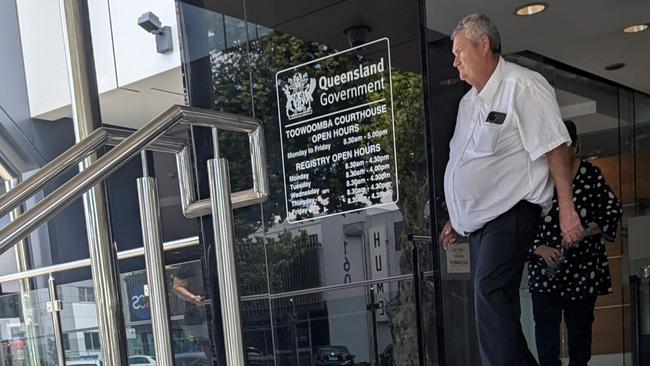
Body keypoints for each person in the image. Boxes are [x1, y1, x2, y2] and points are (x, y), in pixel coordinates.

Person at [439, 13, 584, 366]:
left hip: (513, 213)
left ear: (483, 44)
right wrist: (459, 218)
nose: (454, 60)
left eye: (460, 51)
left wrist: (567, 209)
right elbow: (468, 165)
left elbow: (554, 147)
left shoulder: (523, 85)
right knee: (494, 303)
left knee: (488, 294)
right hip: (481, 225)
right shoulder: (467, 104)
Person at [529, 120, 621, 366]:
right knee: (546, 337)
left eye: (562, 144)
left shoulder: (591, 175)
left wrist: (585, 231)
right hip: (545, 269)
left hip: (583, 267)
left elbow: (611, 212)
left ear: (573, 146)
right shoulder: (537, 178)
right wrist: (540, 248)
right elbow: (520, 223)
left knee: (580, 336)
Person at [172, 261, 212, 365]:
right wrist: (193, 298)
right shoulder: (189, 264)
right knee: (207, 345)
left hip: (214, 312)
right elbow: (177, 287)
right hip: (197, 315)